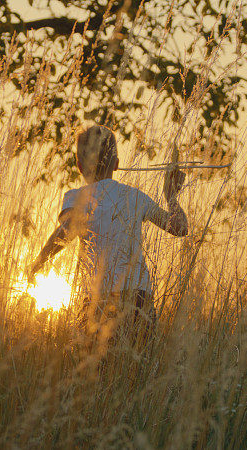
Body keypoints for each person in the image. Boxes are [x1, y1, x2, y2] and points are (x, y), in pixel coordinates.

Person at [27, 124, 188, 343]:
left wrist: (39, 262)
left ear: (79, 165)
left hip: (97, 298)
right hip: (138, 297)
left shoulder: (76, 197)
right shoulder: (135, 196)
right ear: (117, 164)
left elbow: (65, 233)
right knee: (137, 366)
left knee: (97, 367)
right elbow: (179, 228)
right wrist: (171, 195)